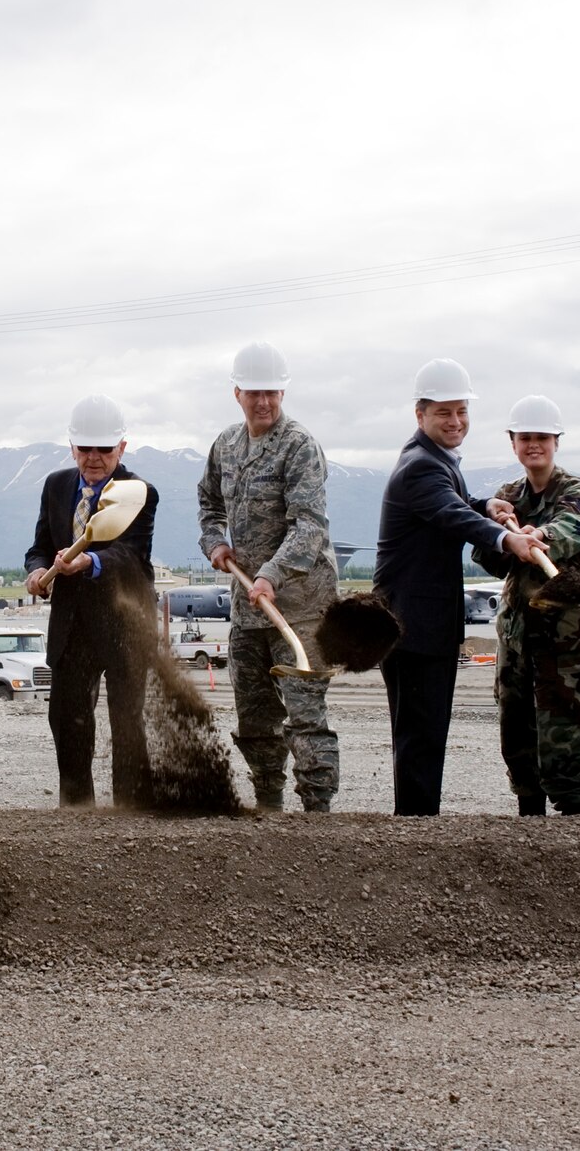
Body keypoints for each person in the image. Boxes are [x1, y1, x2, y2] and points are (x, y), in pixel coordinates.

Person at [373, 359, 546, 816]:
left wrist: (484, 503)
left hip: (425, 626)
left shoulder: (433, 461)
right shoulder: (420, 467)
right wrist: (506, 537)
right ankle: (416, 831)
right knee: (419, 740)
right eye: (443, 413)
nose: (455, 423)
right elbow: (451, 515)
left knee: (426, 736)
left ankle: (419, 825)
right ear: (420, 415)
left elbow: (455, 504)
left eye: (462, 412)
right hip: (413, 629)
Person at [197, 341, 339, 812]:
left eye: (272, 393)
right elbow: (209, 505)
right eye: (254, 393)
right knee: (255, 714)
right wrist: (215, 542)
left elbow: (309, 525)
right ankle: (268, 804)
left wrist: (273, 575)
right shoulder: (227, 445)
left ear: (283, 393)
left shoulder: (299, 446)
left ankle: (318, 810)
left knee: (304, 713)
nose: (264, 402)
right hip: (248, 605)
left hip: (298, 608)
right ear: (237, 393)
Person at [469, 396, 580, 816]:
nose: (534, 446)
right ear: (513, 443)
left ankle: (574, 827)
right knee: (517, 736)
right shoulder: (508, 497)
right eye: (525, 438)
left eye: (542, 438)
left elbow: (574, 529)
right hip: (516, 638)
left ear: (556, 442)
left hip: (562, 643)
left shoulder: (574, 491)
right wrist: (499, 532)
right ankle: (529, 826)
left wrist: (534, 536)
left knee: (561, 739)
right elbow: (486, 553)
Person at [23, 394, 159, 808]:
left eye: (104, 448)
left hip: (124, 624)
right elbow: (41, 546)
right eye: (86, 448)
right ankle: (77, 811)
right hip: (72, 626)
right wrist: (36, 571)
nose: (94, 457)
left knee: (126, 722)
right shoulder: (55, 486)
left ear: (122, 446)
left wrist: (90, 561)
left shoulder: (140, 493)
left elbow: (131, 554)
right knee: (68, 721)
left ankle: (130, 813)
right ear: (72, 446)